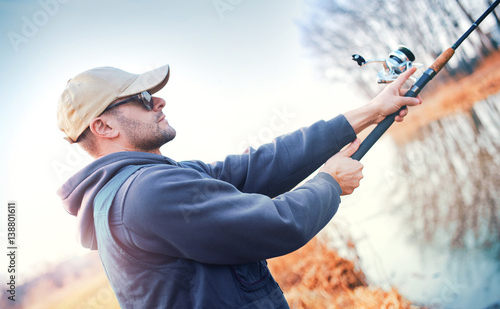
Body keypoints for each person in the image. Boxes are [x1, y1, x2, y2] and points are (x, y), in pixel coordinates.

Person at [56, 64, 421, 308]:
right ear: (103, 127)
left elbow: (259, 166)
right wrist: (330, 183)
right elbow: (274, 225)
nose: (159, 100)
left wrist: (372, 111)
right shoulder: (145, 194)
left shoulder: (148, 183)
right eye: (143, 98)